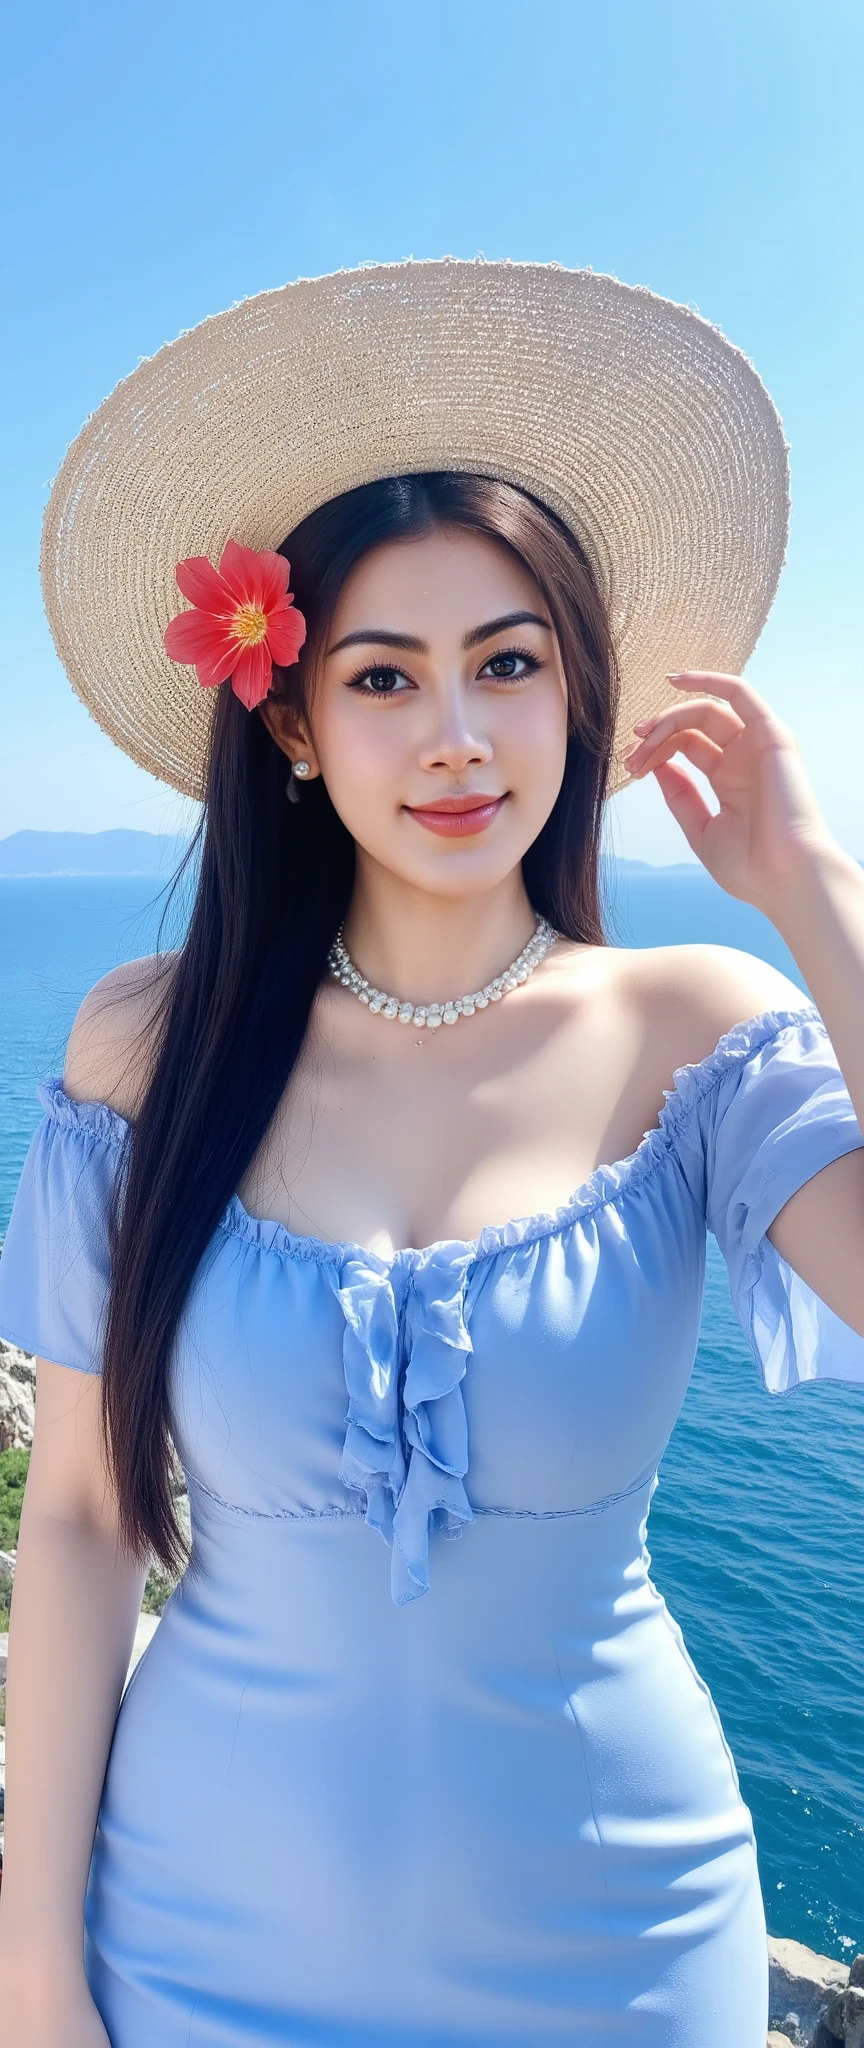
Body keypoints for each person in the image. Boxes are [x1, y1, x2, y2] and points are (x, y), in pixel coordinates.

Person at [0, 261, 862, 2047]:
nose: (460, 735)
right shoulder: (145, 1051)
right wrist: (31, 1973)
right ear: (295, 728)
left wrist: (817, 896)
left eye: (511, 663)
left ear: (579, 701)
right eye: (385, 676)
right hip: (185, 1945)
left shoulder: (692, 1029)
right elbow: (80, 1525)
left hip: (628, 1952)